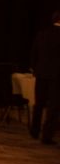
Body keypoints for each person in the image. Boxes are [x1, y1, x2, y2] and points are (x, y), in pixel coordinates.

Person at [29, 12, 60, 144]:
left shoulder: (42, 34)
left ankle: (34, 130)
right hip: (57, 75)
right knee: (53, 106)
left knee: (39, 103)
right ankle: (47, 135)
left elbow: (34, 53)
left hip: (41, 73)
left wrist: (35, 69)